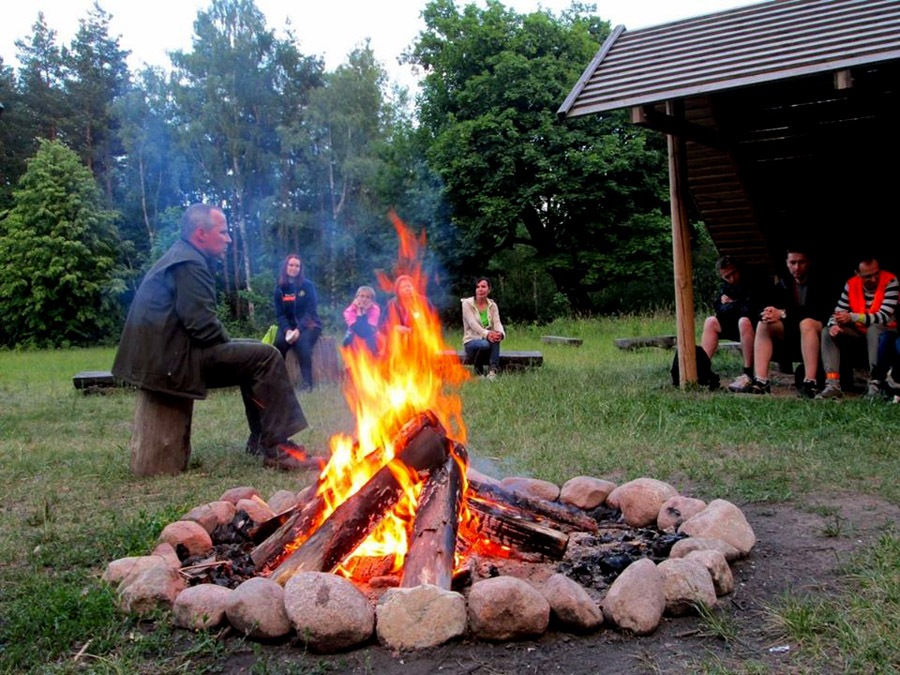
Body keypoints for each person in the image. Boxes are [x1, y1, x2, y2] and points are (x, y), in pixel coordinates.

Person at [112, 204, 311, 471]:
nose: (229, 239)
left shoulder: (185, 257)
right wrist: (227, 341)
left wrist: (230, 343)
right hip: (169, 365)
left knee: (256, 350)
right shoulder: (190, 263)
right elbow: (202, 326)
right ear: (201, 234)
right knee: (265, 356)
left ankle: (261, 440)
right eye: (224, 232)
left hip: (165, 357)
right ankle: (278, 448)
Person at [747, 247, 831, 397]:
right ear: (787, 263)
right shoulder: (784, 283)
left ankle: (810, 382)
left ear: (808, 263)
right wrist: (768, 312)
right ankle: (761, 380)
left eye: (801, 262)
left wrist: (783, 313)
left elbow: (818, 311)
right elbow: (765, 304)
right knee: (764, 324)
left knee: (807, 323)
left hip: (819, 327)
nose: (797, 267)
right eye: (793, 263)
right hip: (792, 328)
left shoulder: (821, 281)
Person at [816, 256, 898, 399]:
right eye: (868, 276)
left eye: (876, 274)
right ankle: (832, 384)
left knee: (874, 328)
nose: (873, 279)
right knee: (827, 332)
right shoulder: (851, 284)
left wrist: (852, 317)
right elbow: (837, 312)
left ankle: (875, 383)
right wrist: (834, 324)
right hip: (860, 332)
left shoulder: (890, 281)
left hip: (886, 333)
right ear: (857, 274)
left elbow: (883, 316)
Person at [701, 256, 762, 392]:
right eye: (727, 277)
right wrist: (734, 305)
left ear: (738, 269)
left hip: (755, 326)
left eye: (733, 273)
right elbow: (719, 309)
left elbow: (750, 309)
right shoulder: (726, 287)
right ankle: (702, 368)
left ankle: (748, 372)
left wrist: (731, 303)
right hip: (734, 324)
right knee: (710, 321)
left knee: (744, 321)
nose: (732, 279)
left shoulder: (754, 281)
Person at [273, 254, 322, 392]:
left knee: (302, 344)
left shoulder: (307, 286)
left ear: (300, 269)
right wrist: (287, 330)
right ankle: (279, 383)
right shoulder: (280, 288)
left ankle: (307, 384)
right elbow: (280, 314)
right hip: (288, 326)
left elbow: (310, 311)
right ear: (285, 267)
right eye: (291, 265)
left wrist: (298, 330)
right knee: (278, 345)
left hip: (310, 324)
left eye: (297, 266)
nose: (294, 268)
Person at [461, 277, 505, 380]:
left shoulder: (492, 305)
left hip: (487, 339)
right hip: (471, 341)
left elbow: (497, 323)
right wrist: (487, 334)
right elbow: (472, 323)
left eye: (483, 286)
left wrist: (500, 334)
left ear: (489, 289)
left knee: (495, 338)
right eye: (478, 287)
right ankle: (478, 371)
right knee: (486, 343)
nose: (480, 289)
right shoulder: (467, 304)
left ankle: (492, 371)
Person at [342, 285, 380, 355]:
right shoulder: (349, 311)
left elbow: (367, 331)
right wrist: (359, 312)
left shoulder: (375, 309)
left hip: (371, 337)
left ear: (372, 300)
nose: (364, 299)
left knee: (372, 341)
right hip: (353, 337)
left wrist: (364, 311)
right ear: (356, 298)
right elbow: (357, 329)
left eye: (368, 297)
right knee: (348, 341)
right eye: (361, 296)